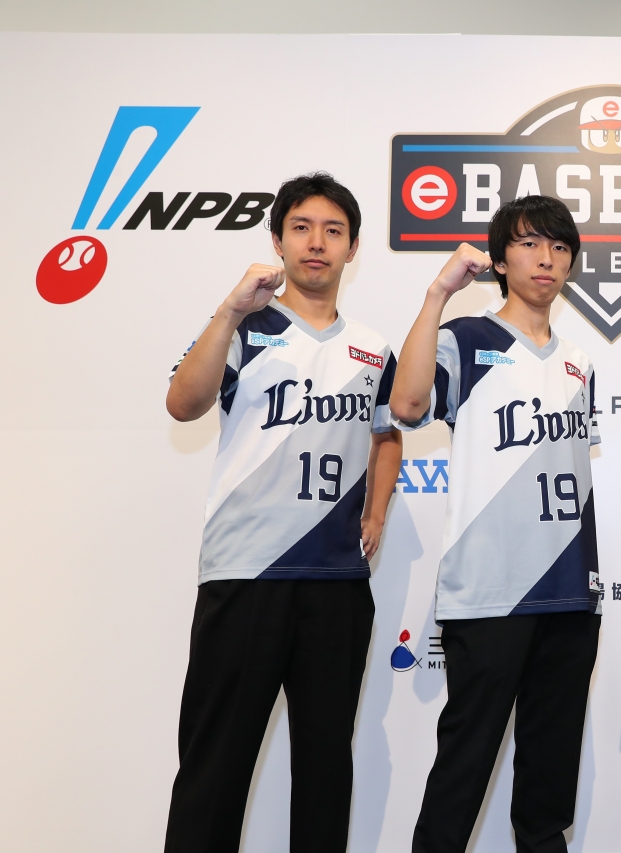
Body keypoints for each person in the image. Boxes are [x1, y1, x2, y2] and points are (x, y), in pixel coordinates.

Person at [163, 172, 403, 853]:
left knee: (326, 770)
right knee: (215, 766)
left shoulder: (373, 349)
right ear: (277, 240)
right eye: (301, 228)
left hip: (336, 584)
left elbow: (389, 433)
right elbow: (183, 404)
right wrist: (227, 310)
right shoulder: (244, 327)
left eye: (333, 230)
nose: (316, 242)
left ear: (353, 247)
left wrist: (376, 512)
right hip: (245, 574)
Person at [389, 195, 602, 853]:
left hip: (570, 592)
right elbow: (407, 404)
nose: (546, 258)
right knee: (464, 768)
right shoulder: (466, 339)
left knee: (548, 786)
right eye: (529, 243)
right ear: (501, 259)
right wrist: (436, 296)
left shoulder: (579, 359)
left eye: (559, 247)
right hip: (489, 593)